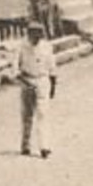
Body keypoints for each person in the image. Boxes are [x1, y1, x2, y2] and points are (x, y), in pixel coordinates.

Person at [17, 21, 57, 159]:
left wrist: (53, 87)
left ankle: (44, 147)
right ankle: (25, 145)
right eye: (33, 35)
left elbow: (52, 68)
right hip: (27, 81)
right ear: (28, 34)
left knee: (43, 114)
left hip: (42, 81)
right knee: (27, 116)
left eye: (38, 35)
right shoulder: (21, 46)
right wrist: (25, 82)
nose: (35, 38)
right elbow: (14, 69)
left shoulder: (47, 47)